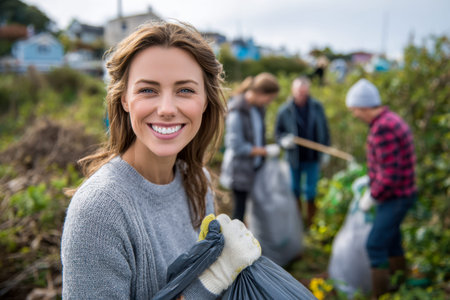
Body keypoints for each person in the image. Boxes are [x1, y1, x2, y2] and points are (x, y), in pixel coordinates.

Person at [61, 21, 261, 299]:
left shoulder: (197, 179)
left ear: (205, 101)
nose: (167, 109)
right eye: (148, 90)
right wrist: (210, 283)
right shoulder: (99, 211)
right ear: (124, 99)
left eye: (185, 90)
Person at [345, 78, 417, 299]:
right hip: (401, 193)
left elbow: (390, 176)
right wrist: (371, 178)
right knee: (392, 241)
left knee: (375, 245)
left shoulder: (382, 128)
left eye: (355, 109)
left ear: (364, 106)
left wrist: (372, 196)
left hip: (395, 197)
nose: (354, 114)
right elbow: (387, 165)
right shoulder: (389, 119)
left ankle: (381, 295)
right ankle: (400, 287)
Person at [220, 73, 280, 222]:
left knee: (252, 208)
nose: (269, 102)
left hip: (254, 167)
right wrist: (264, 151)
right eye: (269, 98)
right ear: (260, 93)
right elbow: (236, 146)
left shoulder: (257, 109)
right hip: (240, 170)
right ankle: (236, 244)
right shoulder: (237, 111)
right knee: (239, 212)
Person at [275, 76, 330, 227]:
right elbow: (278, 134)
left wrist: (325, 150)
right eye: (299, 92)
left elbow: (325, 130)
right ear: (293, 91)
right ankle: (297, 224)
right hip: (294, 158)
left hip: (312, 157)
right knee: (294, 190)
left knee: (311, 191)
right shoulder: (284, 110)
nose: (302, 95)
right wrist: (284, 141)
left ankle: (311, 223)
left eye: (304, 92)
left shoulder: (317, 107)